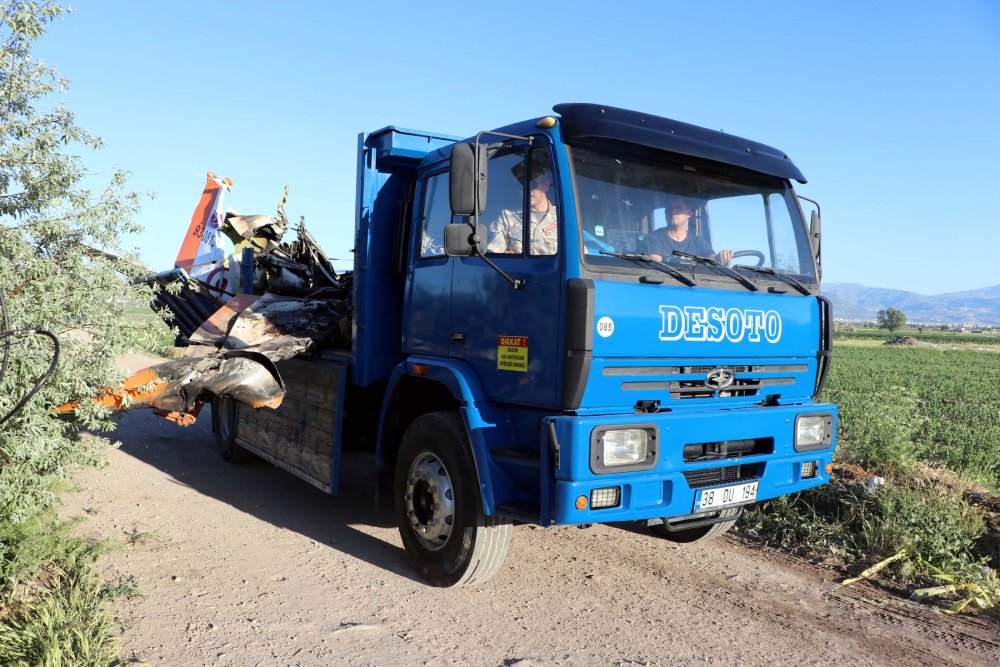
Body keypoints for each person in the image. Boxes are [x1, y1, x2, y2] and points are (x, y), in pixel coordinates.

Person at [487, 156, 558, 255]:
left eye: (532, 185)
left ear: (545, 185)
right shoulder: (507, 218)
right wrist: (506, 257)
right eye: (522, 186)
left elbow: (578, 256)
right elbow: (493, 254)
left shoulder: (562, 218)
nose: (527, 190)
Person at [644, 196, 732, 265]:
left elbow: (711, 258)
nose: (672, 211)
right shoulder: (654, 238)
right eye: (669, 208)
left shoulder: (697, 241)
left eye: (678, 208)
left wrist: (721, 257)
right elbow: (657, 267)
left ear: (689, 213)